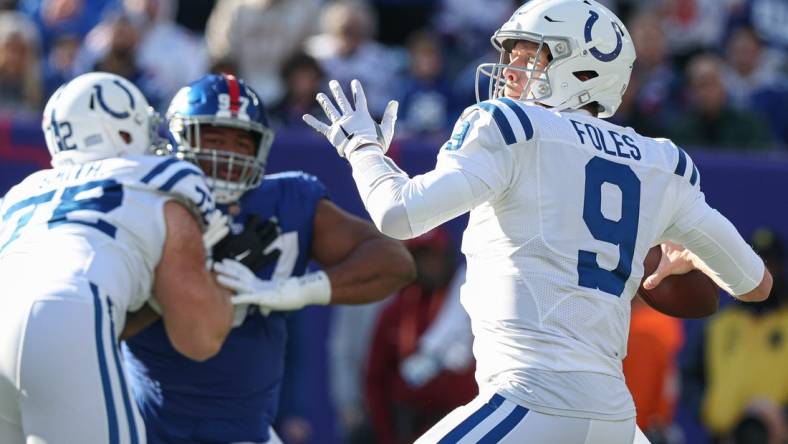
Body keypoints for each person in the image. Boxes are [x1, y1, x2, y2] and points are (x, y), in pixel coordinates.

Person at [303, 0, 773, 442]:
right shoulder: (662, 163)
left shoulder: (513, 127)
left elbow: (398, 213)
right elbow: (756, 285)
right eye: (510, 54)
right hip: (614, 421)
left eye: (529, 56)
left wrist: (361, 148)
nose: (509, 69)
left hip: (530, 403)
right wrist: (691, 252)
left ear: (584, 69)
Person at [122, 73, 416, 444]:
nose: (226, 157)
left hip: (246, 432)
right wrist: (178, 283)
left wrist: (291, 290)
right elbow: (99, 324)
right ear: (178, 140)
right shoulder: (144, 204)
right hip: (143, 427)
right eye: (212, 139)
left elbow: (394, 262)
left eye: (240, 143)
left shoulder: (285, 201)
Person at [0, 72, 237, 443]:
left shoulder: (21, 193)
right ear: (124, 130)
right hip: (66, 308)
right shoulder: (159, 178)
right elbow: (199, 336)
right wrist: (225, 282)